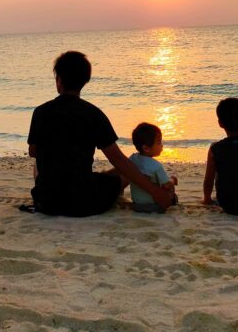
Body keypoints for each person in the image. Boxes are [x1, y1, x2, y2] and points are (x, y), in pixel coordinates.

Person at [27, 51, 174, 217]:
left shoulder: (40, 112)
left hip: (46, 203)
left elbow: (33, 151)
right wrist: (156, 192)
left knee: (38, 163)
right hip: (84, 202)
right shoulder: (93, 114)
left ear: (58, 80)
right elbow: (118, 159)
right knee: (124, 175)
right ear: (85, 81)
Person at [129, 122, 178, 213]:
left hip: (137, 205)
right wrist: (173, 180)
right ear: (146, 148)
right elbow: (167, 185)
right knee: (172, 193)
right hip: (154, 206)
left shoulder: (133, 158)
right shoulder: (156, 166)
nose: (162, 146)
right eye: (159, 143)